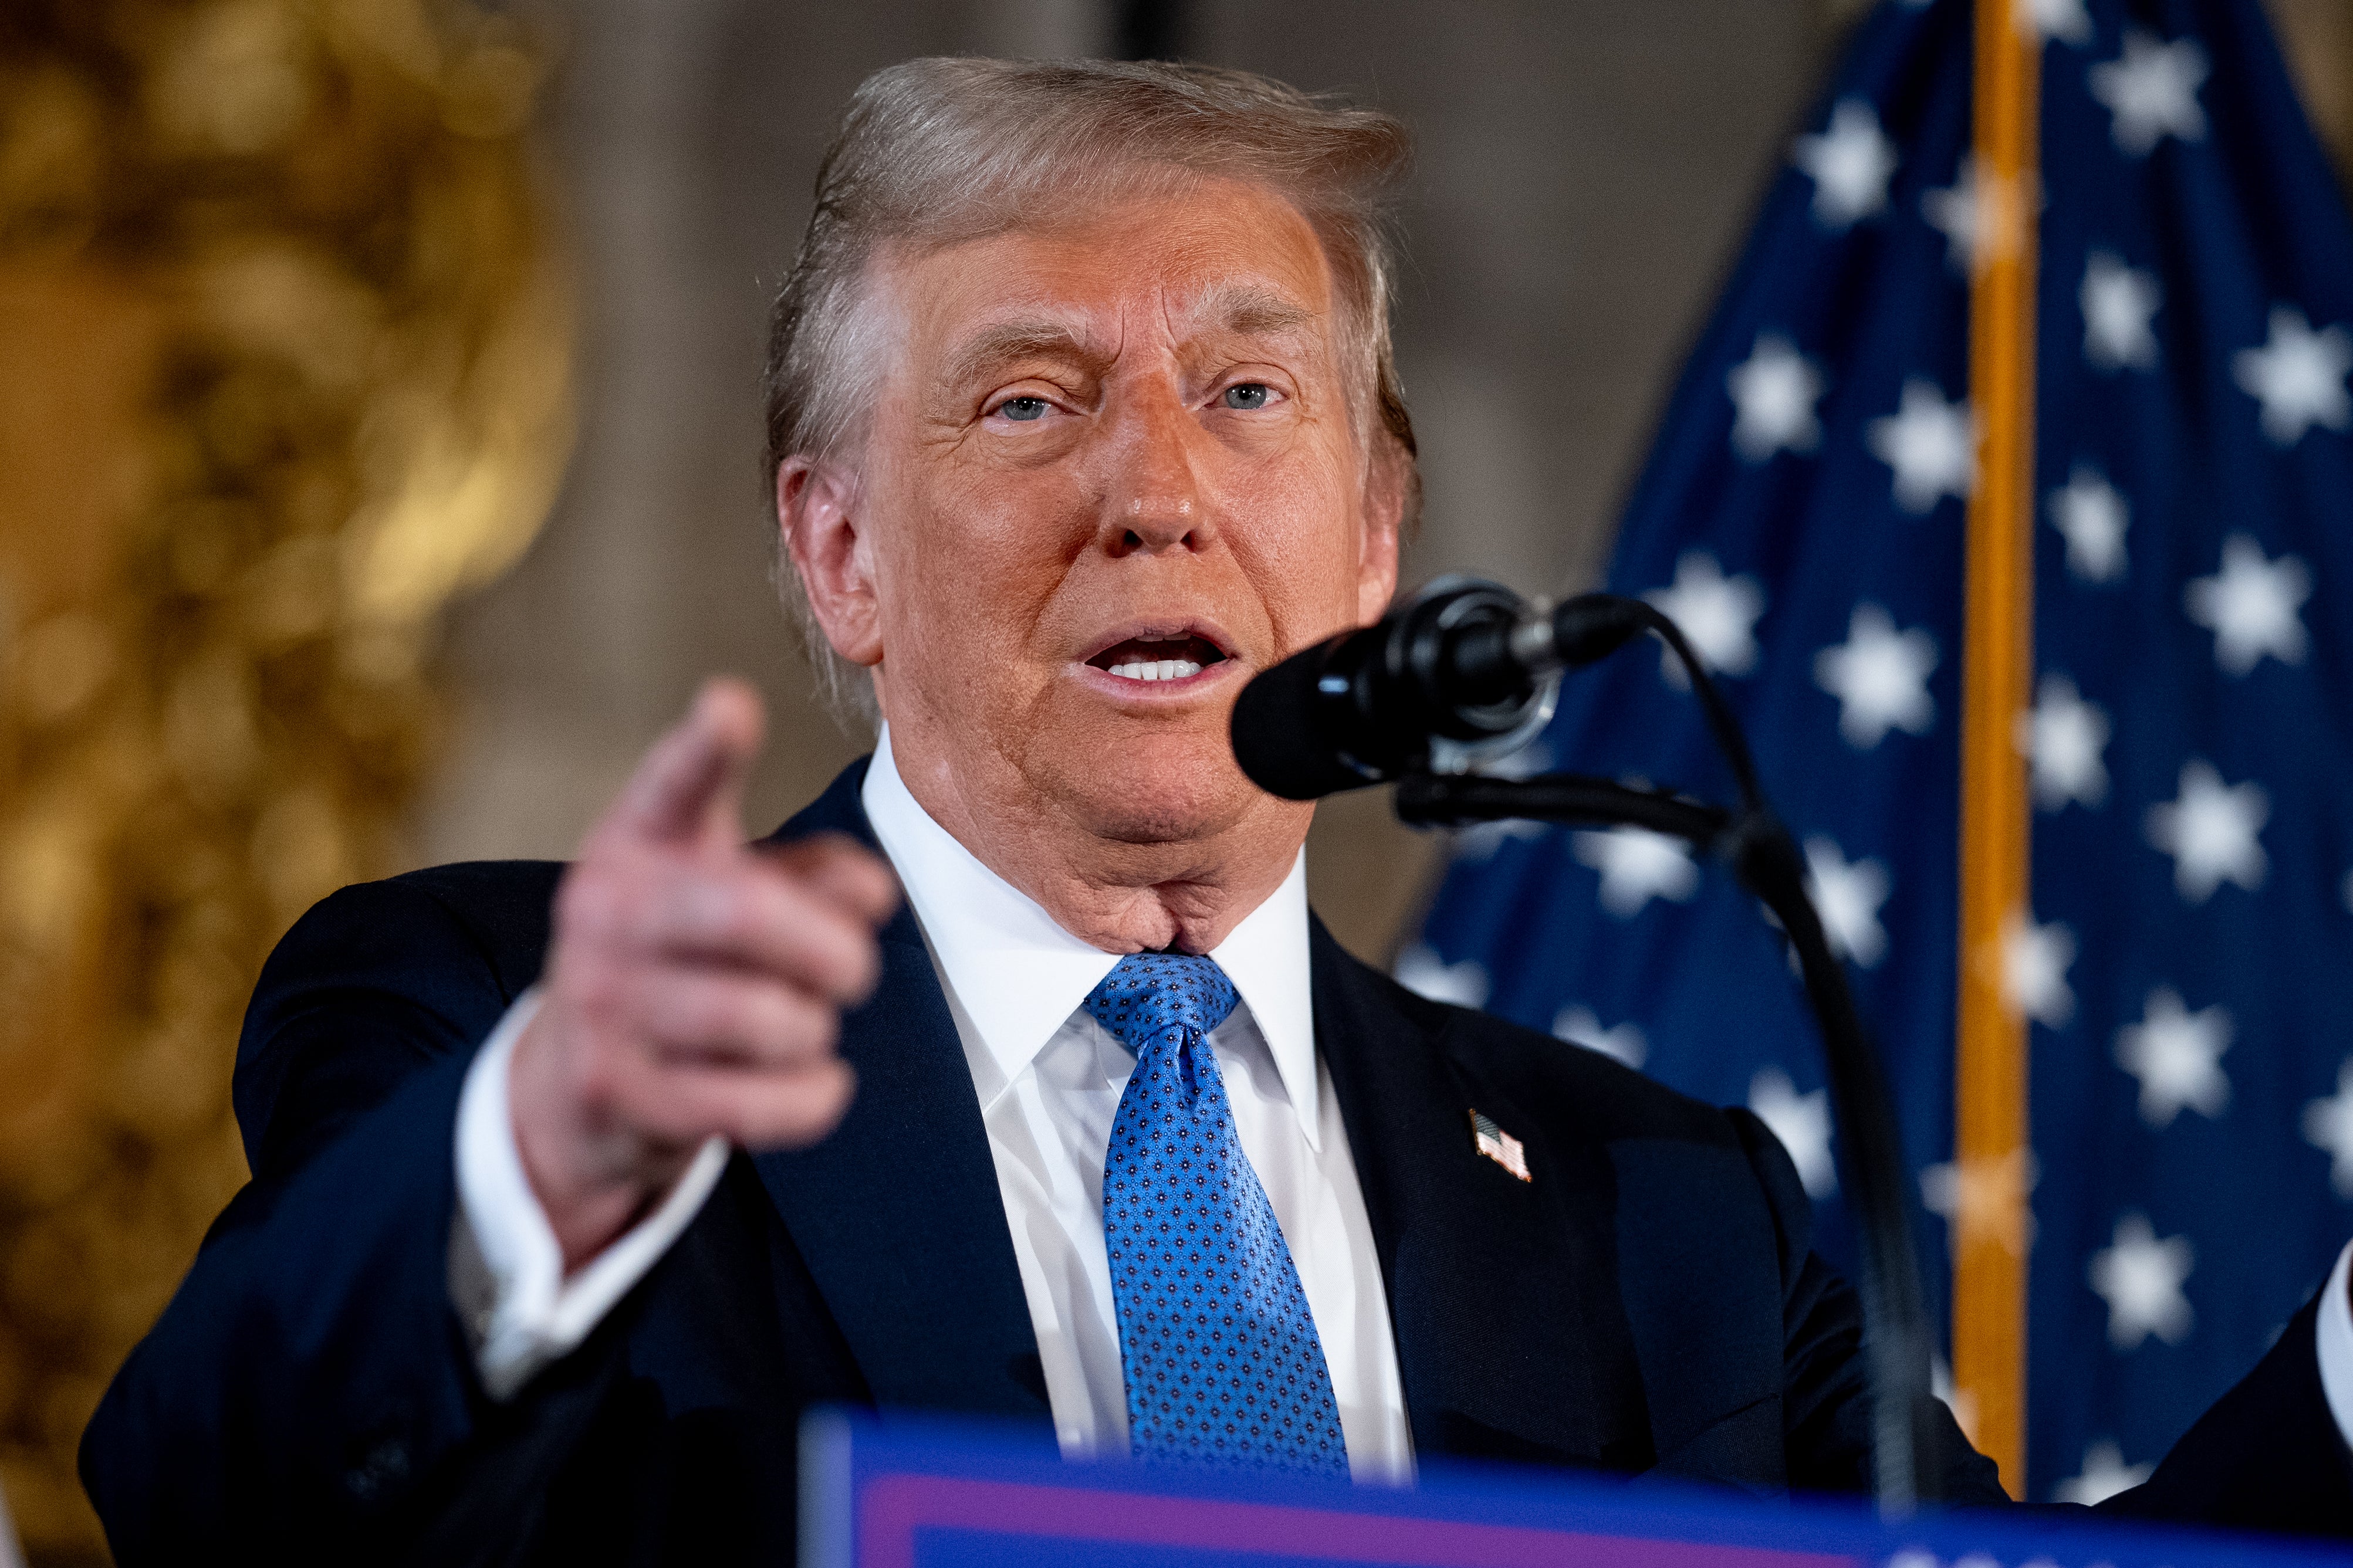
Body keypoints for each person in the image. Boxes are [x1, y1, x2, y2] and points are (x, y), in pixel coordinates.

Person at [80, 57, 2353, 1563]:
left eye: (1245, 390)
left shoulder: (1674, 1217)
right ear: (836, 552)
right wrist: (542, 1160)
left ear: (1373, 539)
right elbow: (210, 1495)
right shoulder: (503, 1022)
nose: (1153, 490)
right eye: (1028, 399)